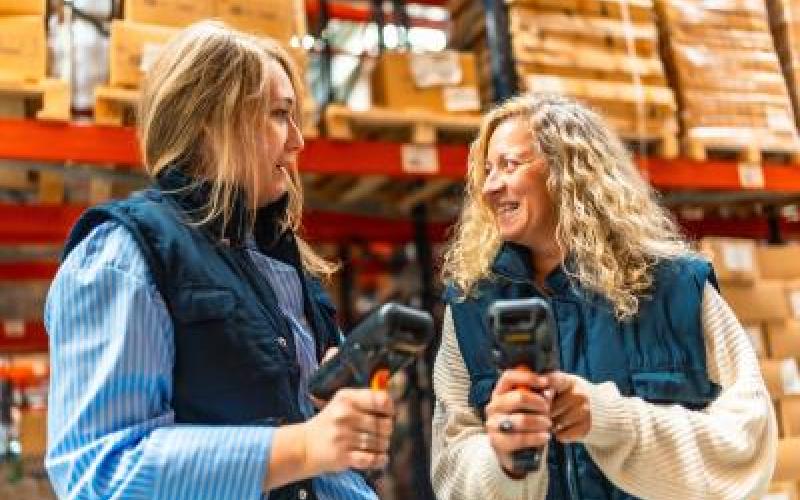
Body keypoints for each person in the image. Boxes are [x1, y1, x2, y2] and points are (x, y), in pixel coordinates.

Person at [44, 21, 393, 500]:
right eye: (279, 114)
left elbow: (323, 457)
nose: (298, 141)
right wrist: (303, 446)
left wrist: (333, 412)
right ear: (211, 121)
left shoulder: (282, 263)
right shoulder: (122, 255)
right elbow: (100, 471)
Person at [431, 93, 777, 499]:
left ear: (568, 170)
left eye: (510, 165)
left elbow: (748, 442)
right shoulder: (470, 307)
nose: (490, 187)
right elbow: (449, 468)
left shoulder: (677, 286)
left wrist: (610, 420)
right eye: (488, 170)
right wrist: (503, 462)